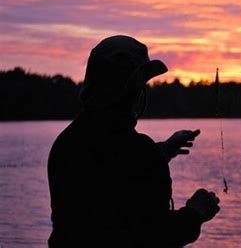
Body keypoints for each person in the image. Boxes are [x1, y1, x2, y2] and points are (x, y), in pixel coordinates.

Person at [48, 35, 220, 247]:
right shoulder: (140, 153)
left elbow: (109, 171)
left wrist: (163, 151)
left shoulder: (66, 144)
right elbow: (156, 235)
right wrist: (196, 213)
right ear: (134, 91)